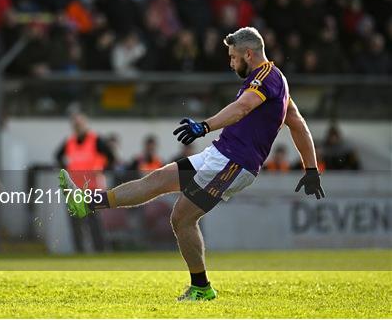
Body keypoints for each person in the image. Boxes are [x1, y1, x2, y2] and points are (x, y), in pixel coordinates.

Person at [59, 27, 325, 301]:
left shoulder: (266, 77)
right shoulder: (276, 82)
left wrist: (204, 126)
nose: (231, 62)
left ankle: (201, 288)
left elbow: (242, 108)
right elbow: (298, 125)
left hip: (234, 163)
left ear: (249, 54)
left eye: (234, 57)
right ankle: (85, 202)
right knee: (156, 180)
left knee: (181, 218)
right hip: (219, 155)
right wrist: (311, 169)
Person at [55, 112, 115, 252]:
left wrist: (102, 169)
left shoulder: (96, 139)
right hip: (74, 190)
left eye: (79, 124)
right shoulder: (69, 142)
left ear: (85, 124)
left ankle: (101, 252)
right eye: (75, 125)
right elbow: (57, 156)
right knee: (76, 225)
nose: (77, 127)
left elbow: (111, 157)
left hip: (93, 188)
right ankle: (80, 253)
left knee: (95, 224)